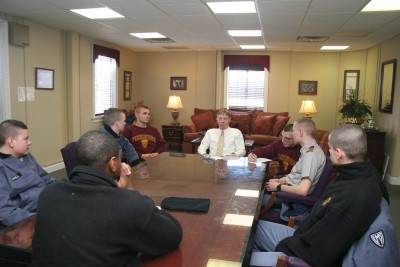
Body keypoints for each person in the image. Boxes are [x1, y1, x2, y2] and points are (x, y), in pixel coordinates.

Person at [30, 131, 182, 267]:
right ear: (113, 163)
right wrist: (129, 191)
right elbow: (173, 235)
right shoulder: (130, 205)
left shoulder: (48, 194)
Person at [252, 124, 390, 267]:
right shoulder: (368, 173)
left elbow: (318, 251)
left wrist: (285, 246)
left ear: (338, 153)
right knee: (253, 227)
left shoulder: (350, 200)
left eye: (329, 148)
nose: (328, 153)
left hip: (299, 252)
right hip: (303, 235)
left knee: (242, 255)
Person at [262, 119, 326, 219]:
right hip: (289, 193)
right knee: (256, 197)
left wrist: (278, 186)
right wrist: (281, 180)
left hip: (293, 200)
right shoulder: (308, 149)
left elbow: (303, 190)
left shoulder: (311, 154)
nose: (293, 134)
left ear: (300, 132)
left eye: (294, 131)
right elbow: (298, 176)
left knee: (254, 201)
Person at [0, 120, 55, 229]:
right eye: (25, 139)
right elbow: (5, 212)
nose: (30, 142)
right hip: (27, 220)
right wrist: (39, 219)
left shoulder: (27, 157)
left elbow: (47, 180)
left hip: (47, 206)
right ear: (11, 141)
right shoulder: (2, 168)